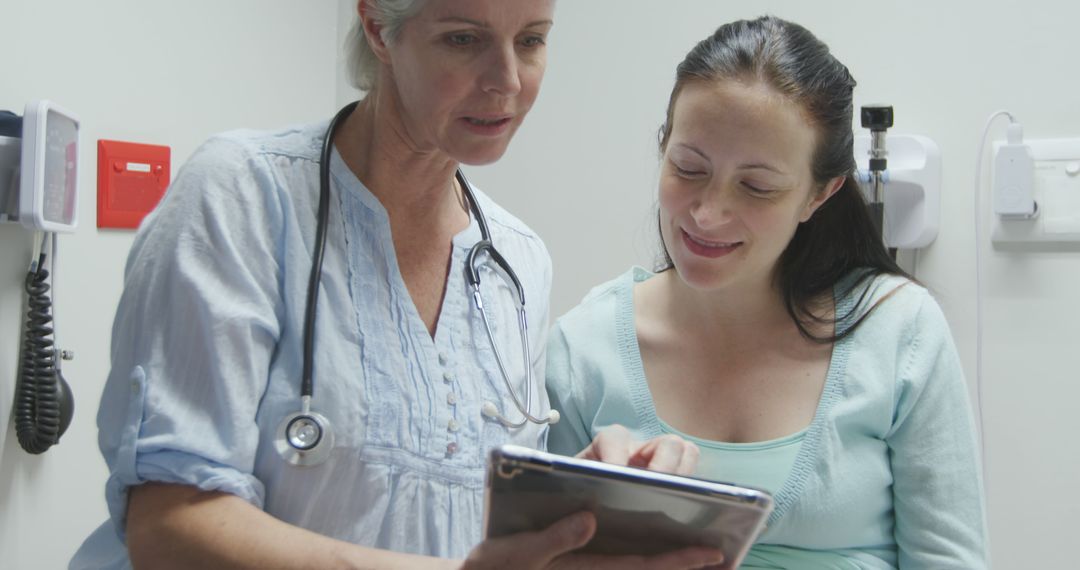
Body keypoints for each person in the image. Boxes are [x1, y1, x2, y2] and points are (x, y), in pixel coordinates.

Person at [70, 1, 721, 569]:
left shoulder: (516, 261)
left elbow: (479, 515)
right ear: (378, 27)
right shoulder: (241, 198)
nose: (508, 81)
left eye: (531, 40)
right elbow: (168, 529)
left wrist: (591, 498)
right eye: (463, 39)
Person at [546, 15, 989, 569]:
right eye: (687, 168)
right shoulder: (582, 351)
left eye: (757, 186)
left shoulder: (899, 330)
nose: (708, 213)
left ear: (819, 195)